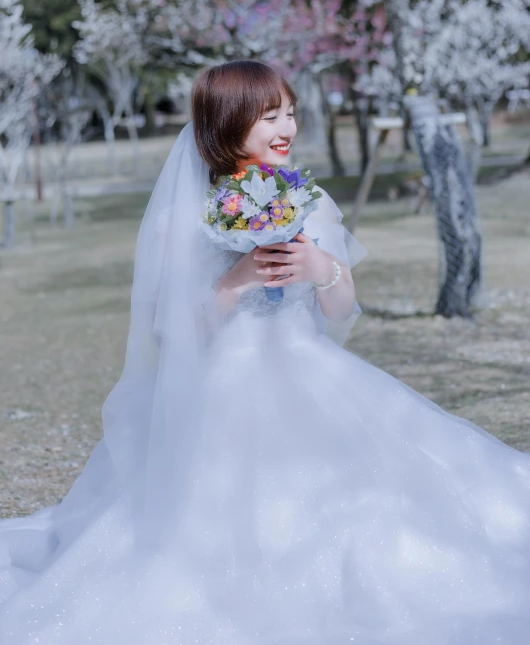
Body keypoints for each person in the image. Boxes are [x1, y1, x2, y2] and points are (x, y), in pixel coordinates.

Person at [0, 60, 529, 645]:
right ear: (226, 124)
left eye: (291, 113)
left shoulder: (311, 200)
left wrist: (323, 269)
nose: (287, 127)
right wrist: (238, 279)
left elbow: (341, 309)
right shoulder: (182, 219)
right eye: (269, 115)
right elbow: (169, 334)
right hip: (221, 392)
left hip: (313, 375)